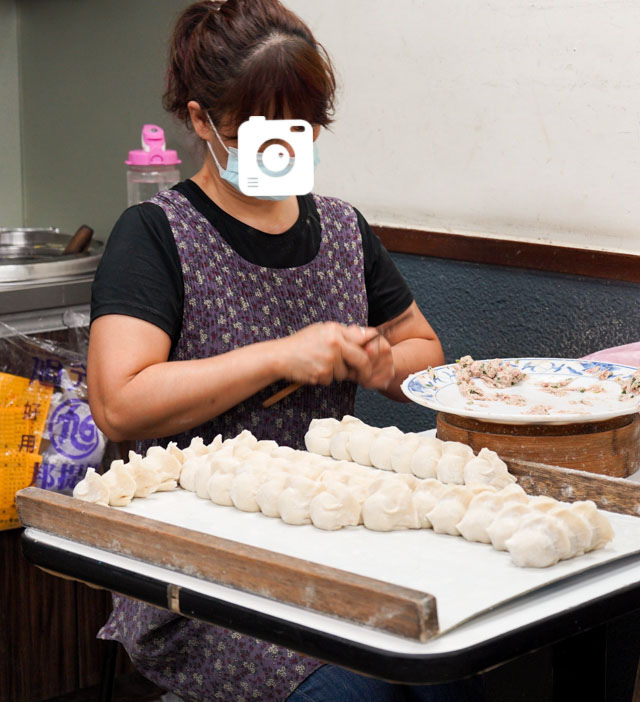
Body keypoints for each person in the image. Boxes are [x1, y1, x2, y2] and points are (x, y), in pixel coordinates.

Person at [87, 1, 476, 699]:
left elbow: (423, 349)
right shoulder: (154, 235)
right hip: (203, 572)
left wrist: (387, 368)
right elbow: (119, 403)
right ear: (202, 121)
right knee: (358, 692)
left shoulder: (342, 228)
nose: (281, 150)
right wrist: (275, 356)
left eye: (300, 129)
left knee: (451, 670)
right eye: (258, 132)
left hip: (336, 541)